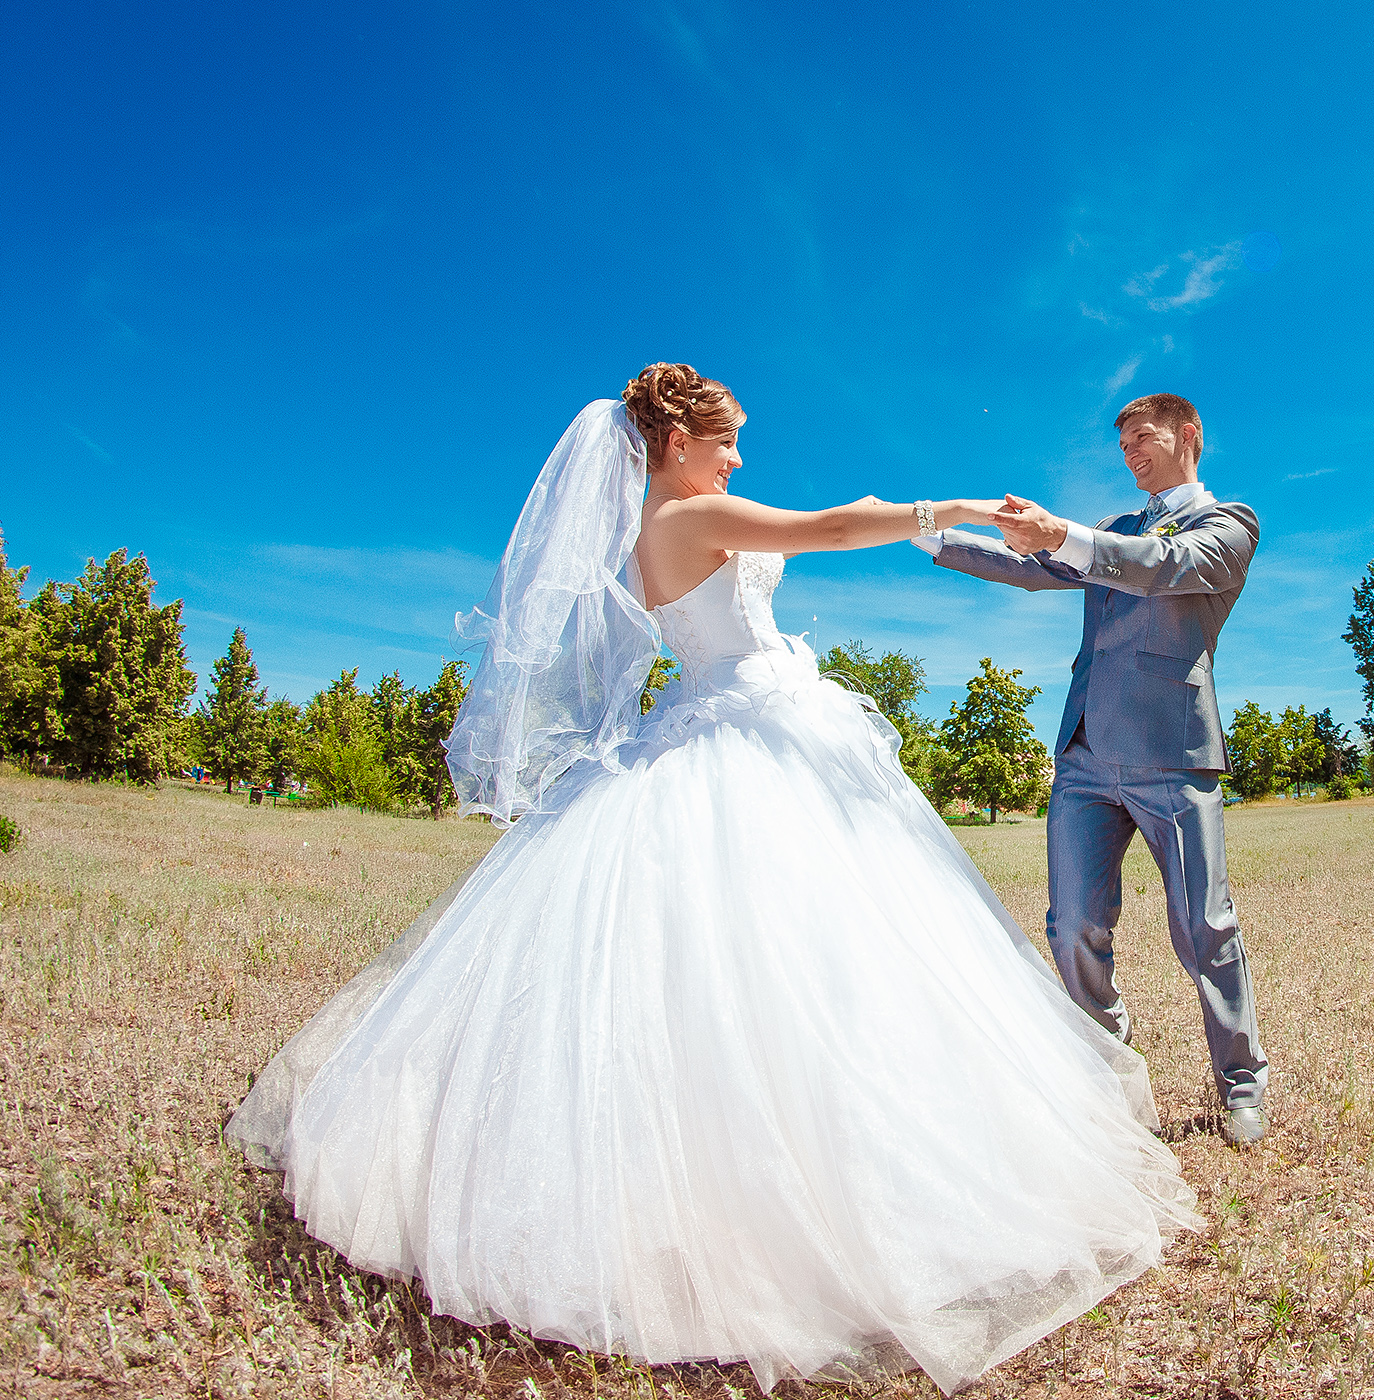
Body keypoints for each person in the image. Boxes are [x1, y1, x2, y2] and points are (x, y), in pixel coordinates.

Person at [226, 363, 1200, 1392]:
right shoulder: (684, 520)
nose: (736, 455)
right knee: (762, 965)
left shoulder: (682, 518)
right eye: (724, 439)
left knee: (832, 964)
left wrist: (886, 514)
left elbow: (821, 523)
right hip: (744, 740)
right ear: (676, 443)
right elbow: (823, 530)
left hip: (759, 724)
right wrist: (949, 508)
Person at [913, 393, 1269, 1147]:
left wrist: (1065, 532)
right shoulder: (1111, 531)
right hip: (1082, 756)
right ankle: (1111, 1071)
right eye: (1124, 445)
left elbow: (1165, 567)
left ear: (1189, 435)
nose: (1132, 453)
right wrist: (927, 535)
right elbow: (1035, 569)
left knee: (1204, 926)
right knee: (1072, 925)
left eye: (1144, 438)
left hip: (1171, 751)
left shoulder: (1227, 524)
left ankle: (1242, 1081)